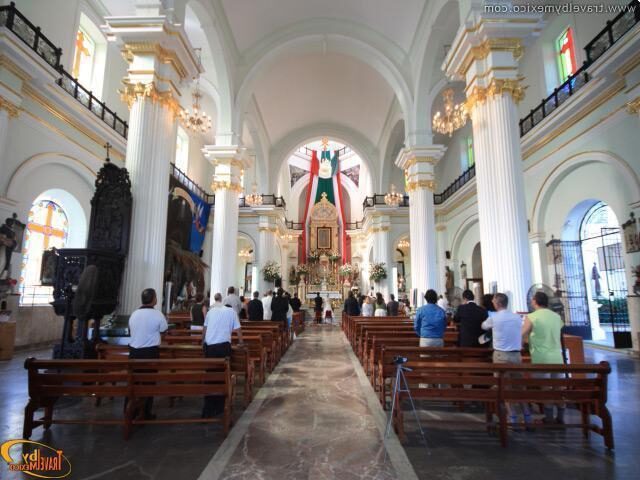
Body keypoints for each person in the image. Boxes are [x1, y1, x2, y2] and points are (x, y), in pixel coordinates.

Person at [481, 293, 531, 428]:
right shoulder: (516, 317)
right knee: (519, 385)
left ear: (497, 303)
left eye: (493, 302)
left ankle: (512, 416)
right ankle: (527, 415)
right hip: (516, 355)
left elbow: (483, 326)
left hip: (501, 356)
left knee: (503, 386)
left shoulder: (494, 317)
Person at [522, 291, 566, 424]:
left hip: (541, 357)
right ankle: (561, 416)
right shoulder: (555, 316)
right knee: (558, 388)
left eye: (532, 300)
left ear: (535, 301)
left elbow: (522, 333)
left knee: (546, 388)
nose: (531, 302)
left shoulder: (532, 317)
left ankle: (548, 417)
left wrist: (526, 340)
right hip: (557, 357)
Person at [128, 288, 168, 420]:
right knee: (149, 383)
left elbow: (131, 331)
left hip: (134, 352)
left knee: (133, 382)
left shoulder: (134, 314)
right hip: (150, 353)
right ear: (154, 299)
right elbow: (163, 331)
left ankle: (129, 411)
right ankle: (145, 412)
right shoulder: (158, 315)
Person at [202, 293, 242, 417]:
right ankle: (220, 406)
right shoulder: (232, 312)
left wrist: (203, 342)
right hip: (223, 347)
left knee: (210, 375)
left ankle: (208, 408)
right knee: (223, 375)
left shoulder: (211, 312)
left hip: (210, 346)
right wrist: (241, 342)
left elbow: (204, 329)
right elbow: (238, 330)